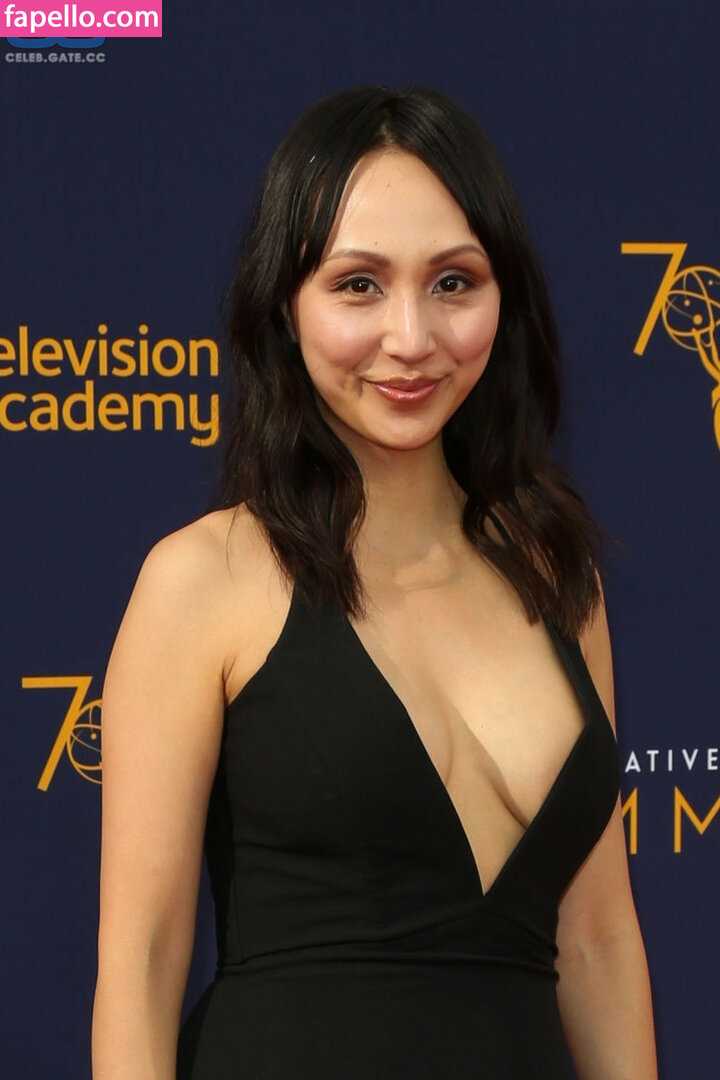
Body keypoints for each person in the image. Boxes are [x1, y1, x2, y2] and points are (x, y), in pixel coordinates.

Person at [91, 85, 657, 1079]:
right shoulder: (203, 580)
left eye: (453, 282)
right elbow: (142, 963)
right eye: (358, 284)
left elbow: (600, 939)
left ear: (504, 297)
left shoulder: (557, 574)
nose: (411, 337)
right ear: (285, 303)